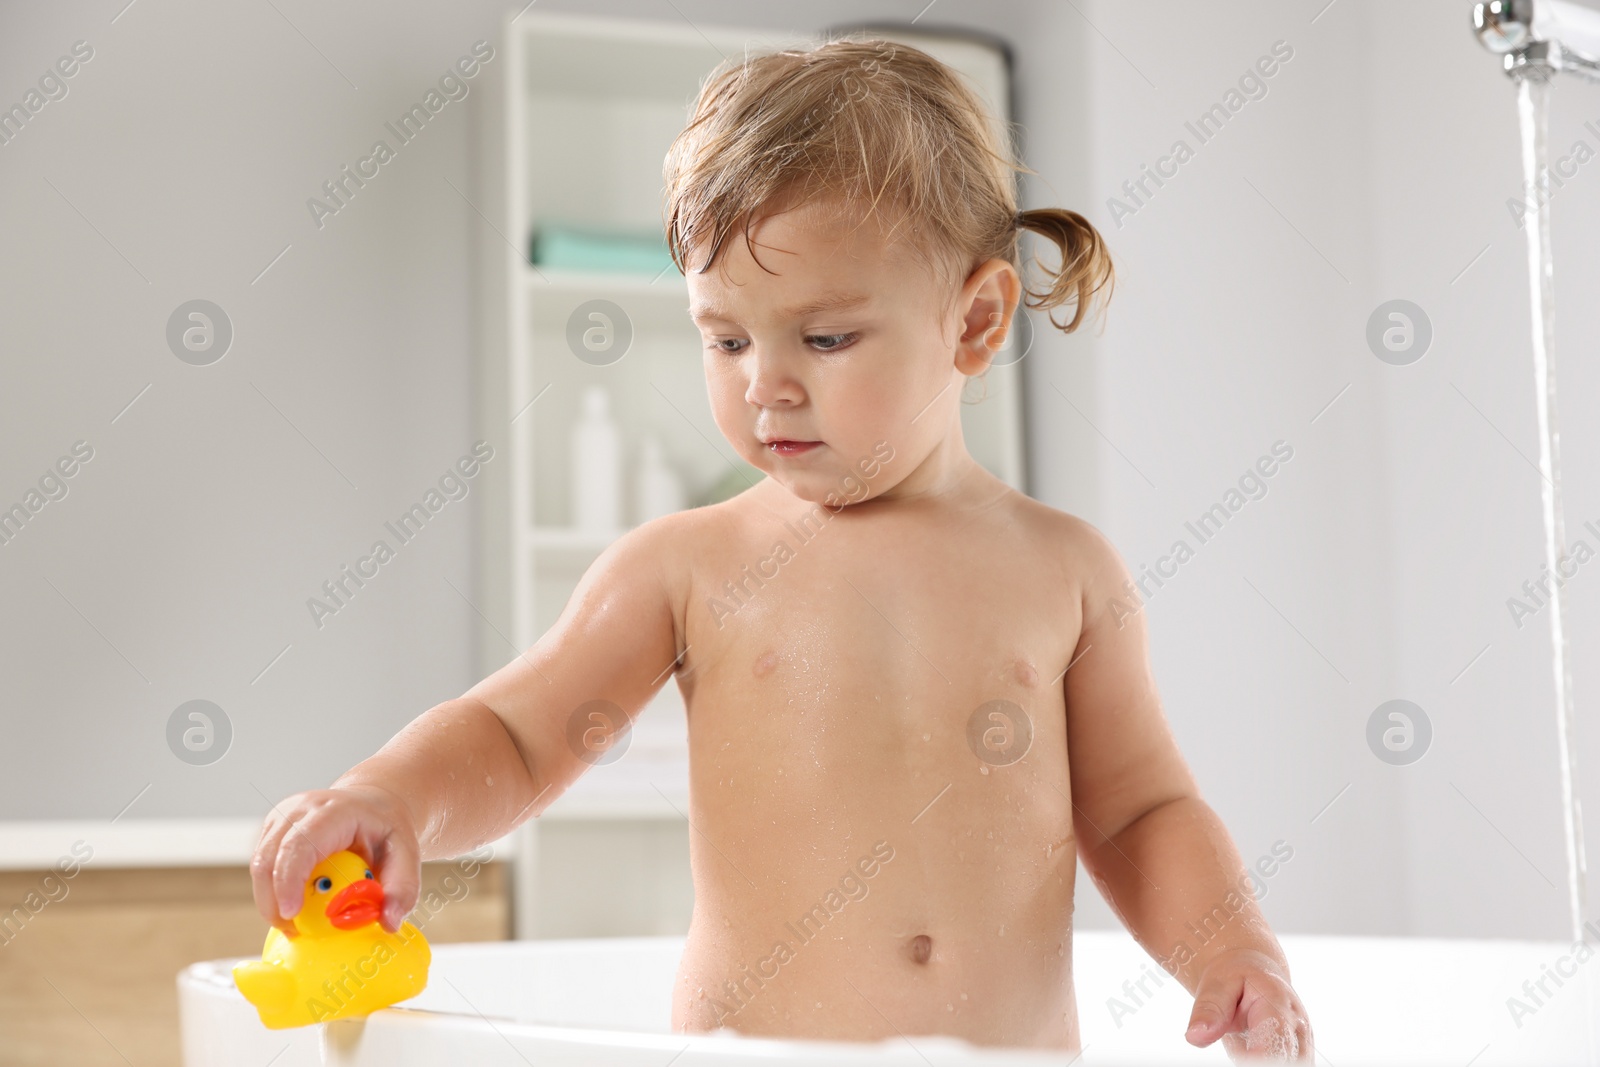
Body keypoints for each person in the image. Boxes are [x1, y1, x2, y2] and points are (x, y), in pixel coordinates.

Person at [249, 35, 1313, 1061]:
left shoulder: (1065, 570)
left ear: (975, 321)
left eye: (826, 336)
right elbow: (517, 736)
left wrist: (1233, 947)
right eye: (725, 337)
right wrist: (391, 793)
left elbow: (1140, 809)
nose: (766, 381)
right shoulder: (686, 567)